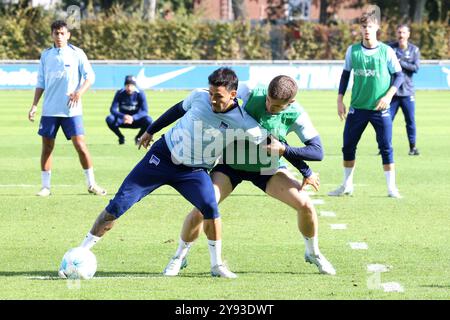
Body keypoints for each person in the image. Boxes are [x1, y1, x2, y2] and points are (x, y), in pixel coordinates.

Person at [63, 68, 268, 279]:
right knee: (118, 204)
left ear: (233, 95)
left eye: (218, 96)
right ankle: (80, 253)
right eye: (211, 93)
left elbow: (273, 144)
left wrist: (302, 167)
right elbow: (177, 110)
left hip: (194, 171)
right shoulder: (199, 96)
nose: (212, 100)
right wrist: (150, 130)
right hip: (161, 157)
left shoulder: (242, 121)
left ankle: (216, 264)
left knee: (210, 207)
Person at [163, 75, 336, 278]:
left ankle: (313, 252)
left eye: (277, 106)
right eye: (269, 101)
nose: (270, 107)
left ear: (291, 103)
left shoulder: (297, 114)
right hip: (231, 164)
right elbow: (221, 94)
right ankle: (179, 256)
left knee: (305, 205)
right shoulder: (250, 90)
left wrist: (285, 150)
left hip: (267, 169)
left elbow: (317, 151)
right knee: (203, 208)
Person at [328, 7, 404, 199]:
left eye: (370, 26)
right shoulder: (352, 51)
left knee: (386, 147)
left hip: (380, 109)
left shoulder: (386, 51)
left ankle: (391, 188)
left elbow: (399, 76)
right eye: (364, 27)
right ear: (360, 29)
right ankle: (347, 185)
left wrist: (388, 96)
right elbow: (345, 75)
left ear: (377, 27)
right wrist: (339, 99)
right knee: (348, 146)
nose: (367, 30)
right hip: (357, 108)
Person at [28, 20, 106, 197]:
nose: (59, 36)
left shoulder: (77, 53)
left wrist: (79, 92)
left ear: (68, 35)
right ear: (52, 35)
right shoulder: (46, 55)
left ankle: (92, 184)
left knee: (80, 145)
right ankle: (46, 187)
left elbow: (90, 77)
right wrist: (34, 105)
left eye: (63, 33)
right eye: (56, 33)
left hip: (72, 110)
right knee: (47, 147)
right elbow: (40, 82)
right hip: (49, 110)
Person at [389, 24, 420, 156]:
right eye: (399, 32)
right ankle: (384, 147)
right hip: (393, 92)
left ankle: (412, 148)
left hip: (407, 92)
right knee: (386, 121)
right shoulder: (390, 49)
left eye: (403, 33)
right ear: (396, 34)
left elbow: (416, 68)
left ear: (408, 34)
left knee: (410, 121)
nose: (401, 35)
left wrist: (400, 63)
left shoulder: (414, 50)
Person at [105, 75, 152, 145]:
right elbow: (113, 109)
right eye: (127, 85)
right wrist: (123, 116)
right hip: (123, 120)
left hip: (136, 120)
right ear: (125, 85)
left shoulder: (140, 93)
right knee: (109, 119)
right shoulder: (119, 93)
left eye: (131, 85)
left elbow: (145, 111)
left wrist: (133, 117)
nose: (129, 88)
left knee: (149, 120)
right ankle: (121, 137)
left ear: (135, 86)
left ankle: (138, 137)